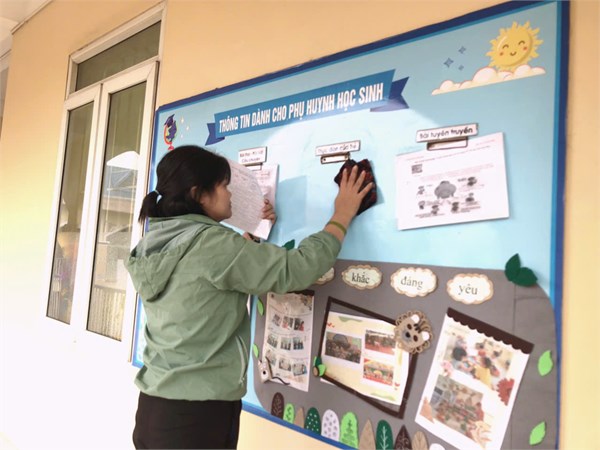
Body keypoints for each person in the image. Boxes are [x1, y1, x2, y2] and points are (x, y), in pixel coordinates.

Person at [126, 145, 372, 449]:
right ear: (199, 194)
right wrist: (342, 213)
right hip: (196, 416)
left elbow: (208, 274)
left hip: (155, 407)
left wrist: (254, 233)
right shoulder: (212, 245)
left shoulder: (156, 240)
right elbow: (297, 268)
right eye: (224, 185)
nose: (230, 194)